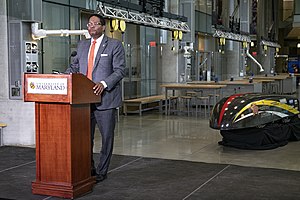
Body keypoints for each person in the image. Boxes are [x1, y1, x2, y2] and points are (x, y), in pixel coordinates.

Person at [65, 14, 125, 182]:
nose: (91, 27)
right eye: (89, 24)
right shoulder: (82, 45)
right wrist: (62, 77)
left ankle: (102, 170)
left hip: (105, 99)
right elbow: (74, 67)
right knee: (85, 138)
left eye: (95, 24)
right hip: (83, 101)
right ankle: (89, 167)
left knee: (106, 138)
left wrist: (104, 83)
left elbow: (120, 70)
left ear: (103, 27)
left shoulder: (115, 45)